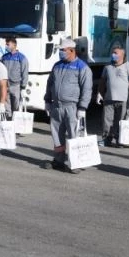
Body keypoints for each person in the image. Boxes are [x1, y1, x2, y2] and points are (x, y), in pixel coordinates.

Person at [43, 38, 92, 173]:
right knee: (57, 135)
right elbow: (50, 83)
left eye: (63, 50)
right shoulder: (57, 65)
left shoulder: (82, 67)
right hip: (56, 106)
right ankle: (58, 160)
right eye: (60, 50)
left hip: (72, 107)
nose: (60, 52)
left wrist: (82, 107)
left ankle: (75, 163)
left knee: (73, 136)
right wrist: (47, 100)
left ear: (71, 50)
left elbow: (87, 89)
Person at [98, 46, 129, 147]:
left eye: (116, 53)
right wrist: (100, 93)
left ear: (122, 55)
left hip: (123, 99)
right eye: (113, 52)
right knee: (107, 120)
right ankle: (106, 139)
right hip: (109, 98)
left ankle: (120, 140)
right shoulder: (107, 66)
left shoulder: (128, 66)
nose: (113, 55)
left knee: (121, 121)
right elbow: (102, 81)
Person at [2, 37, 29, 115]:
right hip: (6, 85)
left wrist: (23, 87)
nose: (6, 46)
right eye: (6, 44)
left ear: (14, 45)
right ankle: (8, 119)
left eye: (8, 44)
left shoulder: (21, 57)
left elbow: (24, 72)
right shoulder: (4, 57)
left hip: (16, 86)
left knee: (16, 107)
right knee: (6, 106)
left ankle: (15, 120)